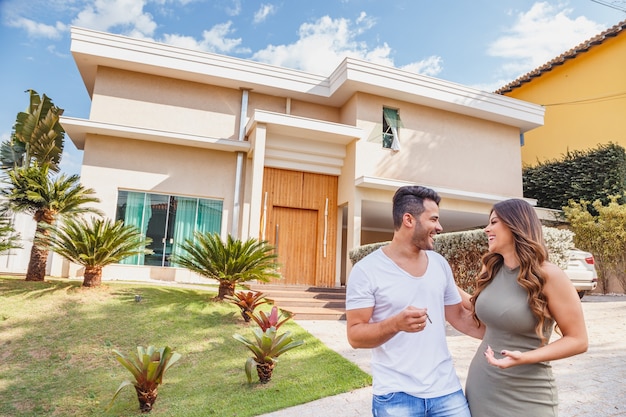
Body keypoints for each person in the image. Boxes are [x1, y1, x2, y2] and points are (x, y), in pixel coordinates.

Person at [346, 185, 483, 417]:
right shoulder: (366, 270)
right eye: (433, 219)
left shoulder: (439, 264)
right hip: (395, 396)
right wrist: (395, 324)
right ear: (409, 219)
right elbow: (355, 336)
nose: (439, 227)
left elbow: (460, 316)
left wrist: (507, 337)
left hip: (446, 391)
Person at [464, 198, 588, 417]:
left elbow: (578, 340)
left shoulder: (549, 275)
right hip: (482, 388)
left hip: (529, 393)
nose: (486, 229)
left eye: (494, 222)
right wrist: (441, 278)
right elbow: (479, 314)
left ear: (515, 225)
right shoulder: (490, 270)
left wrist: (526, 357)